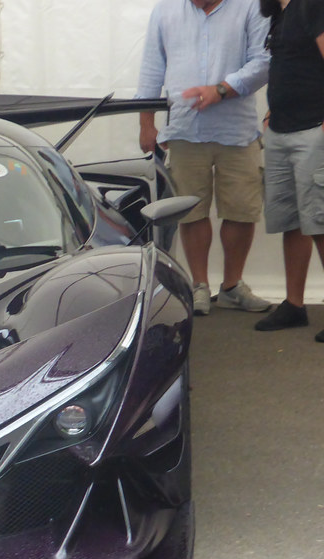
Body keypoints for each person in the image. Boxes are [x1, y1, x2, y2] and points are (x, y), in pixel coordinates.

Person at [137, 0, 272, 316]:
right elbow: (152, 68)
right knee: (191, 211)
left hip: (237, 130)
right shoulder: (165, 11)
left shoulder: (251, 7)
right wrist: (146, 123)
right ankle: (200, 285)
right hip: (184, 130)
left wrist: (221, 89)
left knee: (241, 210)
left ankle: (232, 286)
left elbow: (264, 61)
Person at [254, 0, 324, 339]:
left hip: (313, 129)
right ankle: (294, 305)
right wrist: (271, 111)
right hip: (281, 129)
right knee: (292, 221)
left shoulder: (312, 5)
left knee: (321, 220)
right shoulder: (277, 13)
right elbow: (288, 67)